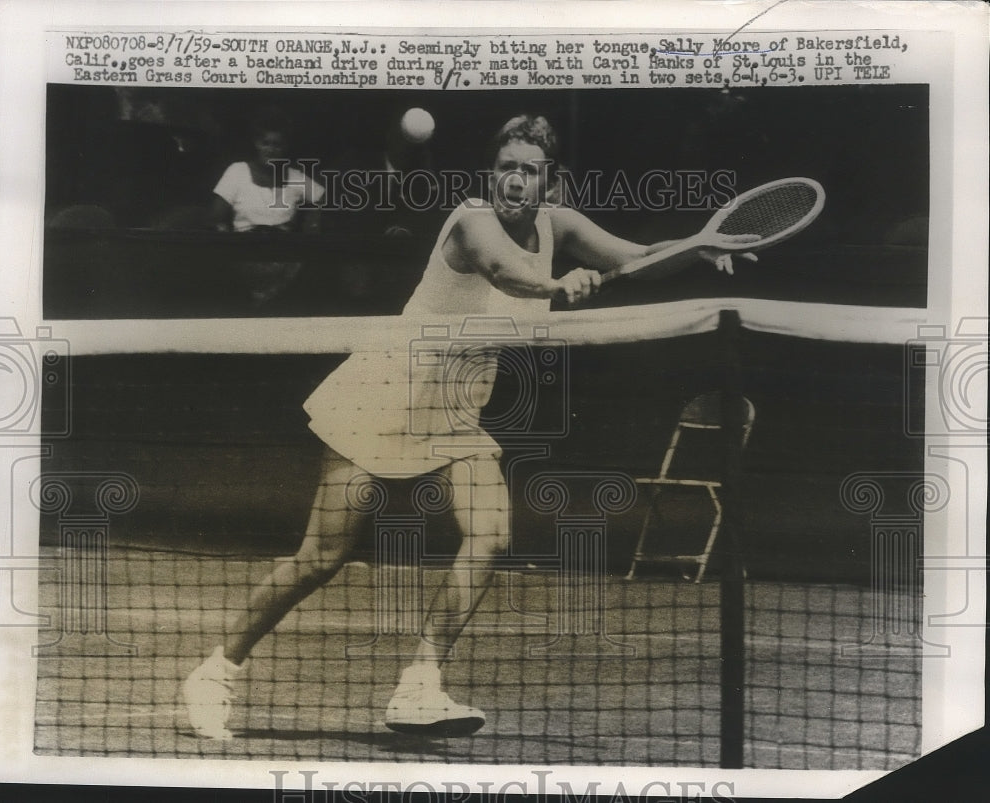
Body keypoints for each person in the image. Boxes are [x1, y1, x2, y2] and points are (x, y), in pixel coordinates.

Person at [182, 114, 752, 740]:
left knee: (491, 533)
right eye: (506, 167)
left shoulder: (556, 222)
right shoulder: (472, 221)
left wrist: (699, 245)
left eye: (528, 172)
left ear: (549, 182)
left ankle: (420, 683)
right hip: (385, 392)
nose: (515, 181)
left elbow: (639, 259)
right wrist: (557, 283)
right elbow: (508, 273)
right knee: (321, 558)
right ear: (492, 172)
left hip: (456, 409)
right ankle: (216, 673)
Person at [211, 106, 325, 303]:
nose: (271, 150)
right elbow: (215, 218)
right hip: (241, 256)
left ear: (285, 147)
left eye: (277, 145)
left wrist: (314, 219)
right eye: (266, 143)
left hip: (284, 260)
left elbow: (326, 201)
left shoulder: (296, 177)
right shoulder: (237, 171)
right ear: (257, 143)